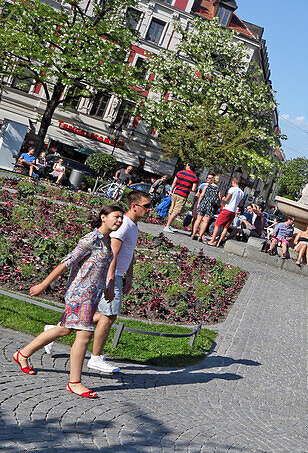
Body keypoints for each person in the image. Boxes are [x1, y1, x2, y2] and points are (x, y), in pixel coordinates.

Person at [12, 204, 125, 397]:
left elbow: (101, 268)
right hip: (80, 294)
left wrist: (108, 286)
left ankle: (22, 354)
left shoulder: (107, 241)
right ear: (103, 217)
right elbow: (66, 262)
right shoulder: (91, 239)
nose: (120, 221)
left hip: (92, 295)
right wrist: (43, 285)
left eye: (121, 218)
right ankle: (74, 382)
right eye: (116, 216)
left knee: (64, 329)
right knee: (84, 336)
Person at [83, 189, 151, 375]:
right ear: (134, 206)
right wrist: (112, 280)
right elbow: (112, 253)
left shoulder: (132, 225)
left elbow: (130, 252)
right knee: (109, 316)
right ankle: (95, 358)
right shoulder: (124, 225)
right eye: (146, 206)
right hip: (111, 275)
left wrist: (129, 275)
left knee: (105, 314)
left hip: (119, 275)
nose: (149, 209)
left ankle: (57, 329)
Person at [206, 176, 245, 247]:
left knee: (217, 224)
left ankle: (212, 240)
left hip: (227, 209)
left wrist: (222, 198)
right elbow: (240, 204)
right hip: (233, 211)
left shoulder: (232, 189)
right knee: (225, 227)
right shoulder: (242, 193)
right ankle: (219, 242)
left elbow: (227, 199)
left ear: (234, 182)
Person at [163, 162, 198, 232]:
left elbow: (174, 182)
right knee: (176, 211)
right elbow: (193, 189)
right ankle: (167, 226)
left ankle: (168, 225)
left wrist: (171, 191)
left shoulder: (180, 173)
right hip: (183, 195)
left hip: (175, 193)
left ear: (188, 166)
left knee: (171, 209)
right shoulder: (194, 177)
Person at [191, 173, 220, 240]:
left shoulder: (207, 186)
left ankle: (193, 234)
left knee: (198, 219)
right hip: (211, 206)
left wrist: (198, 203)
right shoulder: (218, 189)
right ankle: (200, 236)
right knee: (205, 221)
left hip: (203, 203)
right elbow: (219, 199)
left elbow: (201, 195)